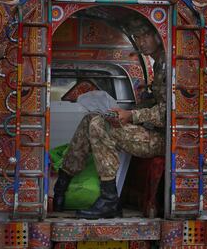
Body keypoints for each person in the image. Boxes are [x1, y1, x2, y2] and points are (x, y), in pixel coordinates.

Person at [53, 19, 167, 219]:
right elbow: (153, 104)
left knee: (100, 124)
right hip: (150, 130)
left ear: (158, 37)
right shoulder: (159, 64)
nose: (141, 42)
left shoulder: (170, 66)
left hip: (164, 140)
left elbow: (168, 113)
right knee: (92, 118)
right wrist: (123, 112)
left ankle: (109, 199)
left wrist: (132, 115)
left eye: (145, 36)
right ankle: (62, 185)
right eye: (137, 38)